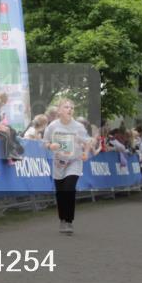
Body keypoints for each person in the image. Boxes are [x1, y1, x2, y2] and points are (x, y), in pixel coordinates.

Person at [43, 98, 91, 235]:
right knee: (60, 192)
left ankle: (69, 221)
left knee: (69, 188)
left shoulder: (78, 127)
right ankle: (62, 219)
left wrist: (86, 153)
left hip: (74, 162)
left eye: (71, 107)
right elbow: (45, 142)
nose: (70, 109)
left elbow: (88, 141)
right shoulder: (52, 126)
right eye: (66, 107)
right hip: (59, 163)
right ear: (59, 110)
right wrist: (50, 145)